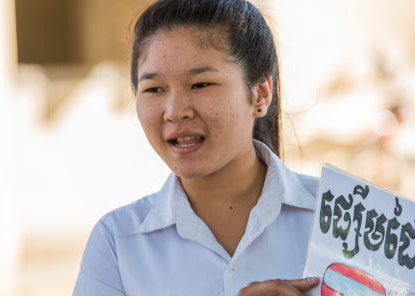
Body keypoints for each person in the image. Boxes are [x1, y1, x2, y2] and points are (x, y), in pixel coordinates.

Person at [74, 0, 320, 295]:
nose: (175, 111)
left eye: (201, 84)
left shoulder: (348, 220)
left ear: (260, 94)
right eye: (154, 89)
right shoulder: (116, 242)